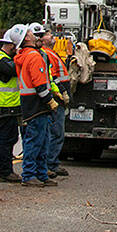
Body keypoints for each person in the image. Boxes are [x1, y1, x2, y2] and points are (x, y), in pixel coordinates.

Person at [14, 24, 57, 187]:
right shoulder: (33, 56)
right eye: (32, 33)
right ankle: (30, 174)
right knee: (35, 141)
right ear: (26, 38)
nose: (35, 36)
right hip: (36, 105)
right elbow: (39, 83)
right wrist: (49, 101)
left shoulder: (25, 55)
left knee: (42, 140)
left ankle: (40, 173)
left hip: (31, 104)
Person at [0, 26, 23, 183]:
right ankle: (5, 172)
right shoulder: (2, 61)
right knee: (7, 139)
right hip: (2, 107)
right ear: (11, 46)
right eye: (16, 47)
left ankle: (6, 171)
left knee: (9, 138)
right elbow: (17, 70)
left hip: (3, 106)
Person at [38, 25, 71, 180]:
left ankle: (52, 163)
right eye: (47, 34)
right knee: (55, 132)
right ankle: (50, 164)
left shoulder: (51, 53)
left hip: (57, 98)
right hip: (55, 98)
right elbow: (52, 77)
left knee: (57, 133)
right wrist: (61, 92)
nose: (51, 36)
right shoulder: (46, 54)